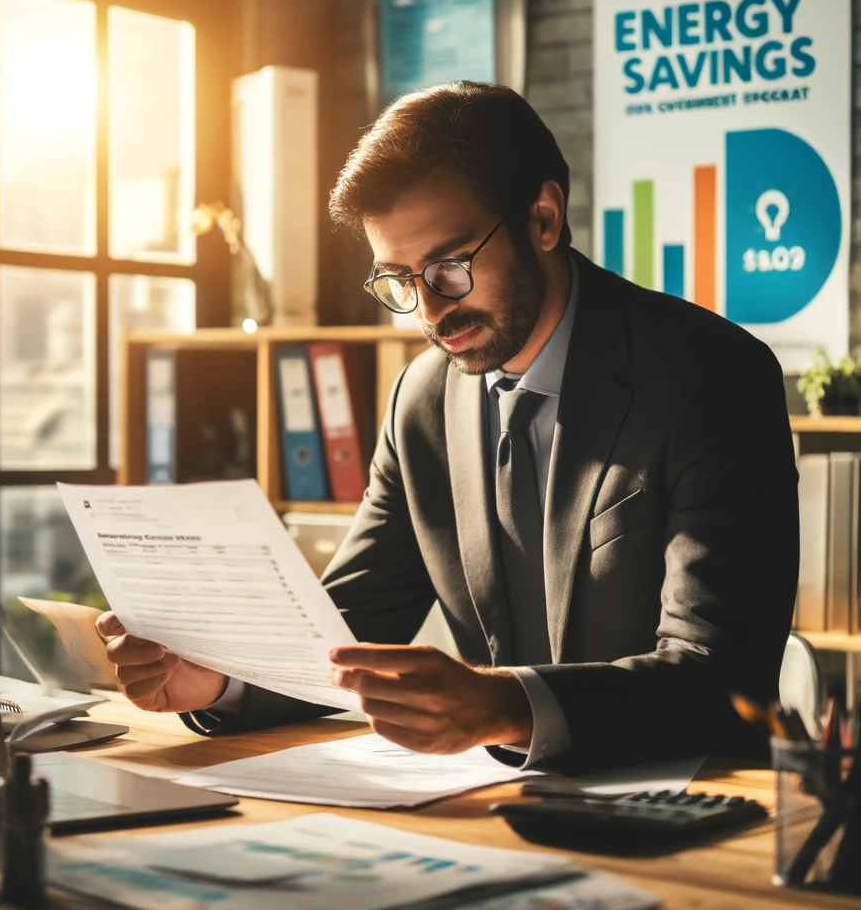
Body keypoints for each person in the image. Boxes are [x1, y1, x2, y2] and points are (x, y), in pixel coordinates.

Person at [97, 81, 799, 772]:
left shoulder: (712, 376)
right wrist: (220, 680)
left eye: (450, 268)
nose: (429, 312)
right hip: (499, 812)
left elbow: (717, 677)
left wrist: (506, 707)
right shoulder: (421, 403)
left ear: (544, 219)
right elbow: (349, 627)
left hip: (691, 812)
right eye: (399, 279)